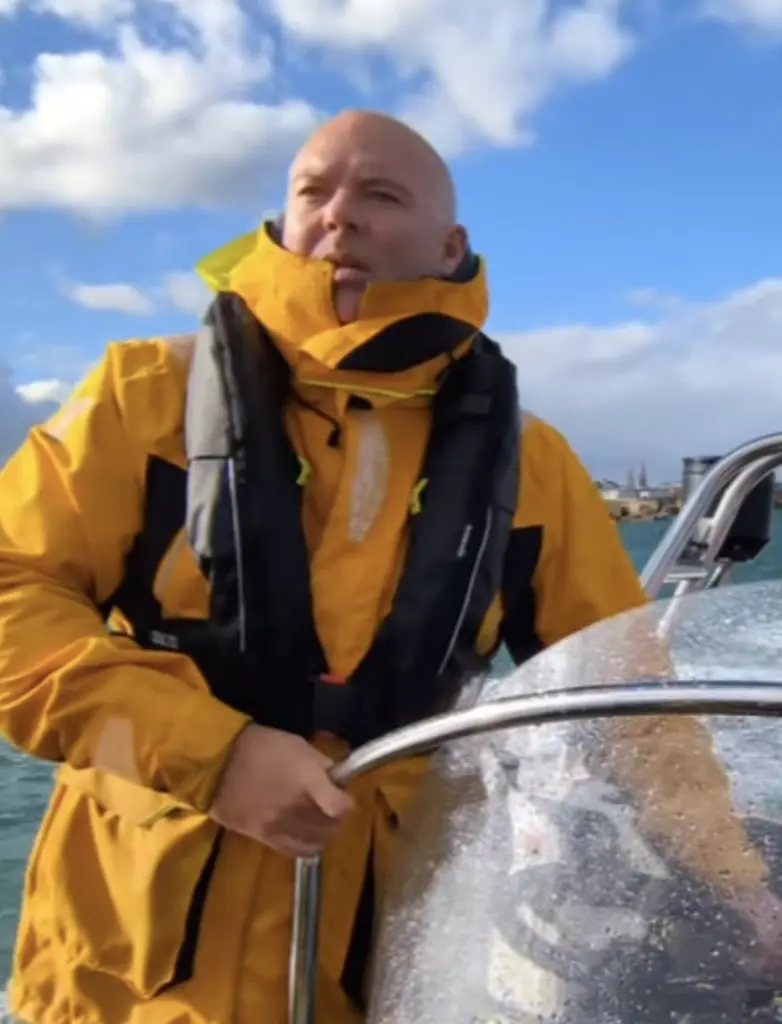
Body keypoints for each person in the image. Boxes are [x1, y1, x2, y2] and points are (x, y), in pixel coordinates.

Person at [0, 109, 777, 1024]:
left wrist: (738, 887)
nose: (340, 216)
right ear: (285, 223)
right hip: (133, 947)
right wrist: (212, 754)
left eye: (380, 194)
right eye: (314, 192)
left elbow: (634, 702)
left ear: (451, 244)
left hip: (388, 936)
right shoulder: (142, 395)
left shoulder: (533, 464)